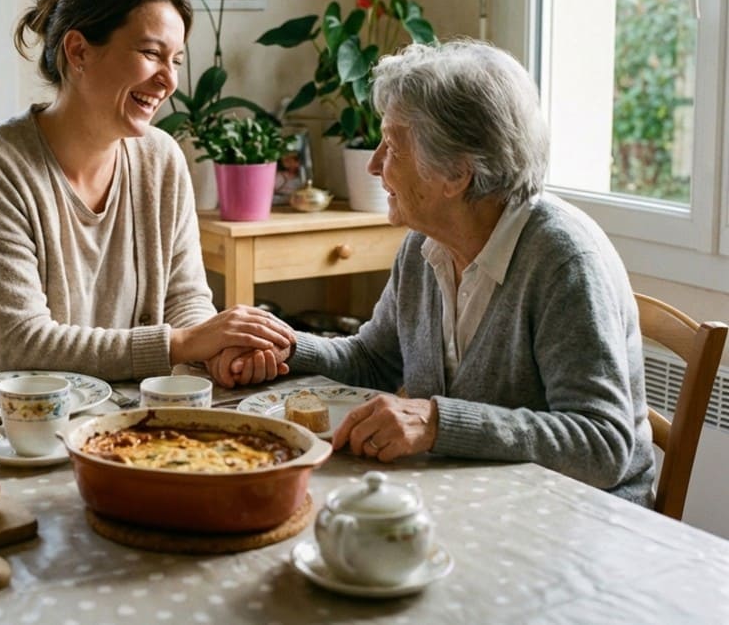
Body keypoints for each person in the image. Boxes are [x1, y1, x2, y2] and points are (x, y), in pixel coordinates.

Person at [248, 39, 656, 505]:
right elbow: (373, 361)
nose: (375, 164)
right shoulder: (425, 245)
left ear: (457, 173)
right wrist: (282, 344)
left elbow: (601, 447)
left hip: (576, 519)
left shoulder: (562, 259)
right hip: (473, 495)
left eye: (392, 147)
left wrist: (439, 423)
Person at [0, 0, 292, 390]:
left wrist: (218, 354)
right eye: (151, 54)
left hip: (107, 413)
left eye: (176, 60)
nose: (168, 80)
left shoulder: (161, 157)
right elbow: (20, 344)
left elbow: (184, 298)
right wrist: (184, 344)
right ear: (78, 52)